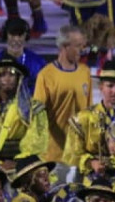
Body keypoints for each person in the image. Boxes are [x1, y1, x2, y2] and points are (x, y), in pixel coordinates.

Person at [33, 25, 92, 164]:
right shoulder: (46, 75)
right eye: (78, 46)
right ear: (64, 47)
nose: (82, 50)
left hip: (80, 154)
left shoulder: (85, 72)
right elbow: (38, 116)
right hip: (54, 155)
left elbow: (88, 111)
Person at [0, 17, 46, 92]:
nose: (16, 39)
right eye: (12, 35)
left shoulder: (38, 63)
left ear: (26, 36)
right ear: (5, 35)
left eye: (20, 35)